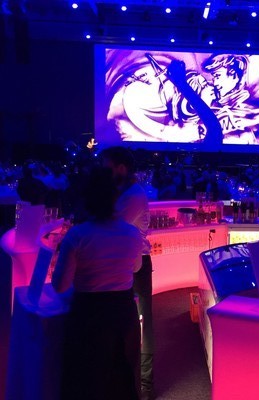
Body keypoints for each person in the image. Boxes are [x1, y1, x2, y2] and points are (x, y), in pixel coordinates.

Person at [52, 167, 143, 400]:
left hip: (89, 316)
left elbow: (60, 286)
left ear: (86, 200)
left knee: (87, 381)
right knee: (121, 380)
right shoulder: (132, 233)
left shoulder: (77, 235)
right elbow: (135, 268)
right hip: (124, 313)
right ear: (115, 200)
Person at [100, 146, 155, 400]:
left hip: (136, 265)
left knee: (141, 324)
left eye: (107, 168)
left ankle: (145, 385)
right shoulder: (127, 192)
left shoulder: (133, 195)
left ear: (121, 168)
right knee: (133, 323)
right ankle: (134, 383)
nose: (103, 173)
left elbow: (110, 227)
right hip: (128, 263)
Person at [202, 53, 259, 144]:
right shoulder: (214, 104)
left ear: (233, 74)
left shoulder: (252, 107)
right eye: (214, 77)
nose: (215, 83)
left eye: (218, 76)